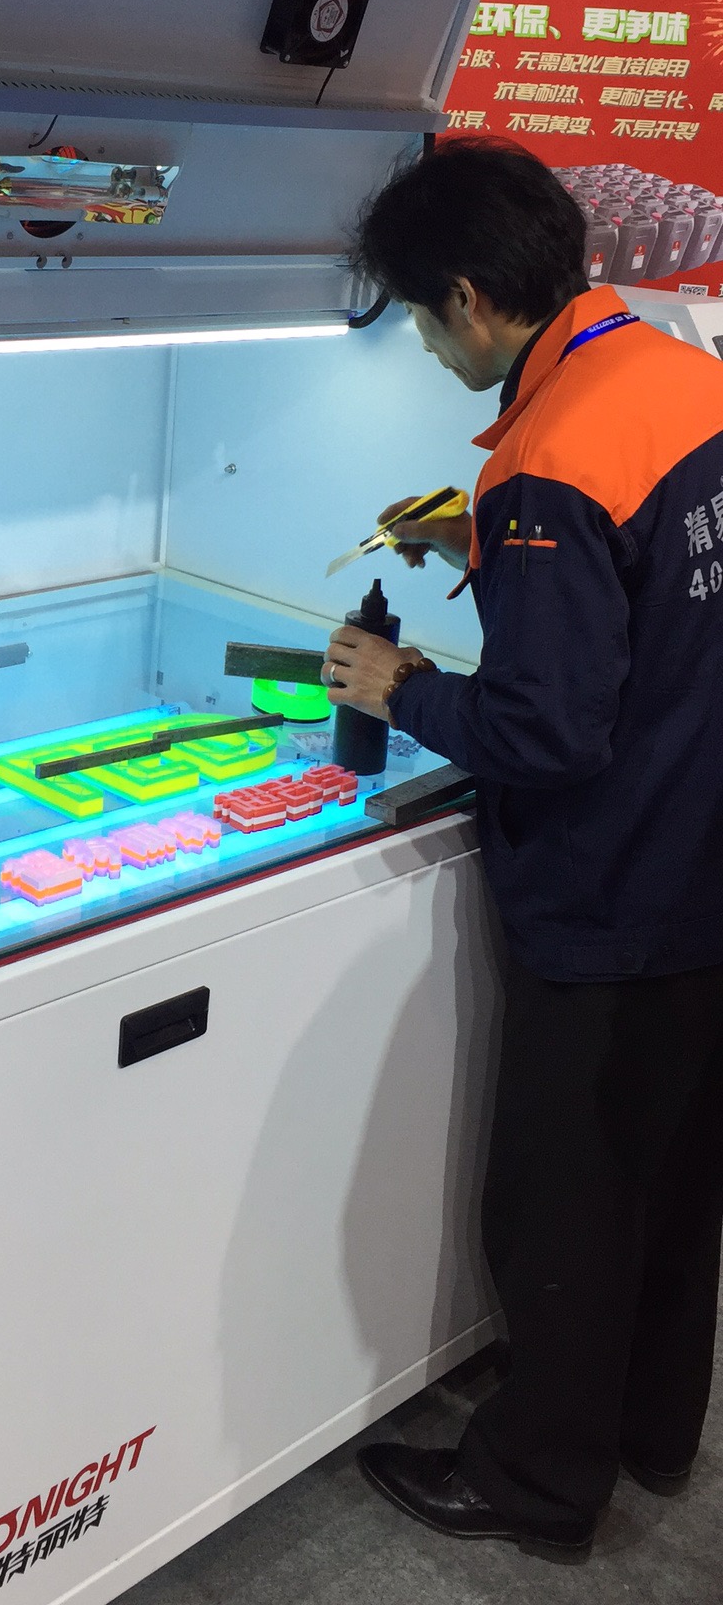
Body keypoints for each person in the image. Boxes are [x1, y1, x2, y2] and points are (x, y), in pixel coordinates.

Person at [322, 136, 723, 1557]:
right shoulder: (679, 376)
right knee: (675, 1181)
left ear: (472, 298)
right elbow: (659, 599)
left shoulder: (547, 463)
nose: (433, 351)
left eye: (425, 322)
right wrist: (490, 552)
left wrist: (402, 689)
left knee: (567, 1202)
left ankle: (539, 1482)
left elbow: (548, 734)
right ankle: (650, 1433)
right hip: (705, 859)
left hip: (612, 894)